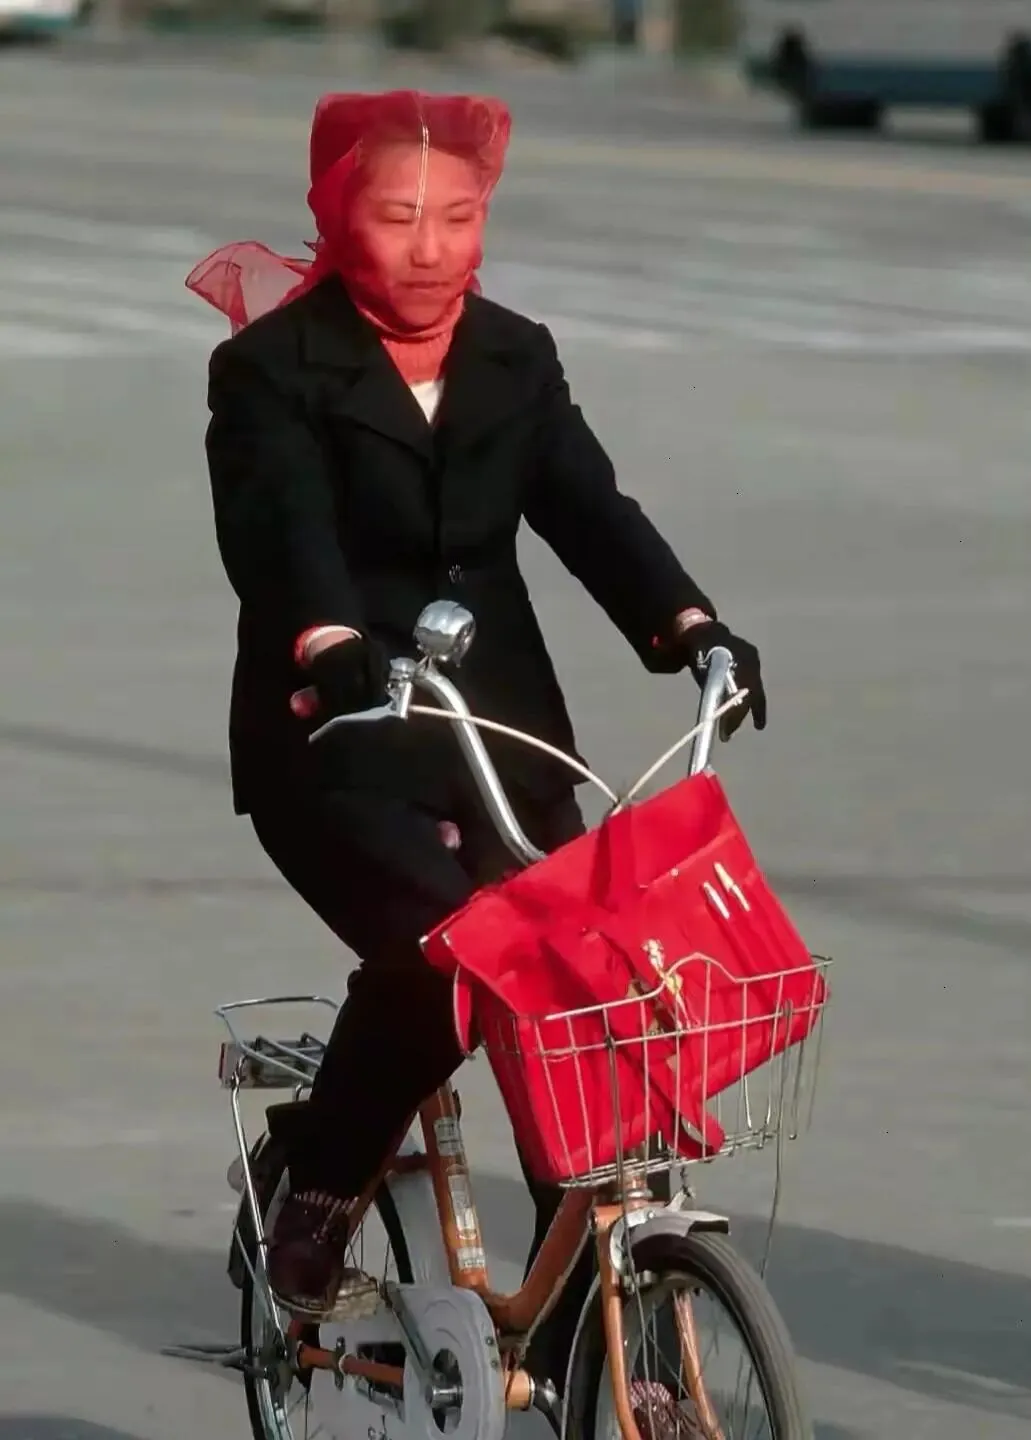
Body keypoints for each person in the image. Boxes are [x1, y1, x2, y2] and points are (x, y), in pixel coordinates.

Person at [187, 89, 767, 1387]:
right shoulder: (274, 368)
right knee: (447, 964)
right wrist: (326, 641)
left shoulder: (514, 354)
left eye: (457, 216)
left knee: (572, 976)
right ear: (338, 216)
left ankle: (590, 1288)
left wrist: (689, 625)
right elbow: (279, 529)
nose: (431, 245)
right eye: (398, 216)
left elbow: (589, 506)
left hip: (498, 725)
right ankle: (317, 1179)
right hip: (337, 729)